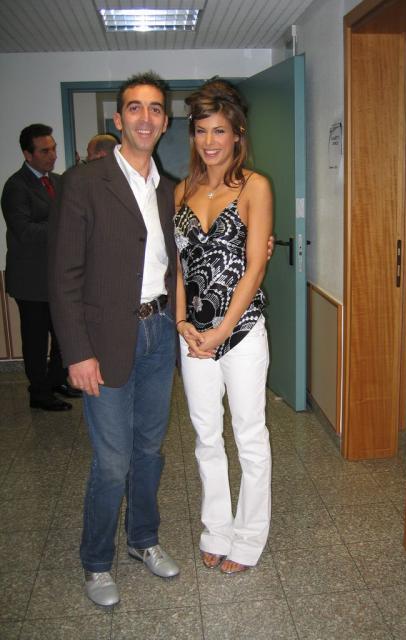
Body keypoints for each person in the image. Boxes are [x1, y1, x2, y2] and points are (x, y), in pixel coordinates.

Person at [49, 71, 180, 607]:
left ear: (165, 122)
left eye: (155, 109)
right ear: (119, 119)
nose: (145, 117)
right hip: (104, 340)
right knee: (113, 461)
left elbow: (177, 259)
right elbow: (64, 275)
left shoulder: (168, 189)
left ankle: (143, 539)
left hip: (158, 334)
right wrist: (77, 352)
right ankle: (96, 561)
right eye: (135, 108)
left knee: (149, 450)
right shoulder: (84, 182)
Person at [174, 79, 273, 574]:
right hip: (193, 335)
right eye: (201, 131)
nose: (209, 141)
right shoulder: (181, 190)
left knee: (249, 436)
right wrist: (181, 321)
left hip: (242, 332)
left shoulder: (255, 186)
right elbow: (179, 268)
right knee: (206, 437)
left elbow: (255, 268)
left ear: (237, 134)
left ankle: (250, 538)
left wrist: (221, 332)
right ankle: (216, 529)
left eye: (219, 130)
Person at [1, 123, 80, 411]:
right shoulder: (16, 187)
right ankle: (39, 392)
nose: (53, 155)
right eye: (45, 151)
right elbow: (25, 231)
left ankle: (57, 380)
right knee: (35, 341)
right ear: (28, 154)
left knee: (62, 334)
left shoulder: (58, 182)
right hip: (31, 281)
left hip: (58, 278)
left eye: (54, 149)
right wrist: (63, 225)